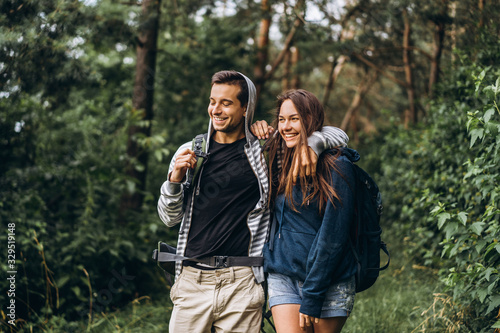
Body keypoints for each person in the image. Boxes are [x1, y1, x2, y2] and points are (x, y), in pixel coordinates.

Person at [157, 71, 349, 333]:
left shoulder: (267, 149)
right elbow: (169, 217)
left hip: (243, 281)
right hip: (193, 279)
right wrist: (174, 181)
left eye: (226, 103)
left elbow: (337, 134)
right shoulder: (190, 151)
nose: (217, 109)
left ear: (245, 107)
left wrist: (313, 143)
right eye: (213, 101)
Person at [258, 89, 358, 333]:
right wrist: (254, 129)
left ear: (311, 120)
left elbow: (333, 238)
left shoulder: (337, 166)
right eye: (281, 119)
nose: (286, 126)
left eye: (294, 119)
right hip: (283, 275)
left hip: (330, 280)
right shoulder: (278, 159)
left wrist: (313, 295)